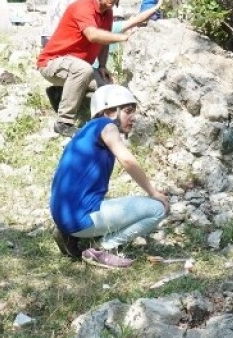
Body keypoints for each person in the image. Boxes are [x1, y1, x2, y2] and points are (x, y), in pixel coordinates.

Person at [49, 84, 170, 270]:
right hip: (79, 218)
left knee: (108, 202)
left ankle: (70, 236)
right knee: (157, 209)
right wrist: (153, 192)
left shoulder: (85, 131)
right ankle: (100, 248)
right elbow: (127, 161)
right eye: (128, 111)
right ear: (109, 112)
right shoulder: (106, 125)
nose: (133, 117)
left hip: (63, 215)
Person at [37, 0, 158, 138]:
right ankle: (63, 122)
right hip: (51, 63)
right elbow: (93, 35)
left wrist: (102, 65)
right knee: (83, 71)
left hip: (74, 65)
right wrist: (123, 38)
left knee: (106, 88)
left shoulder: (107, 13)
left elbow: (104, 41)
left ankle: (59, 93)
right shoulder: (82, 6)